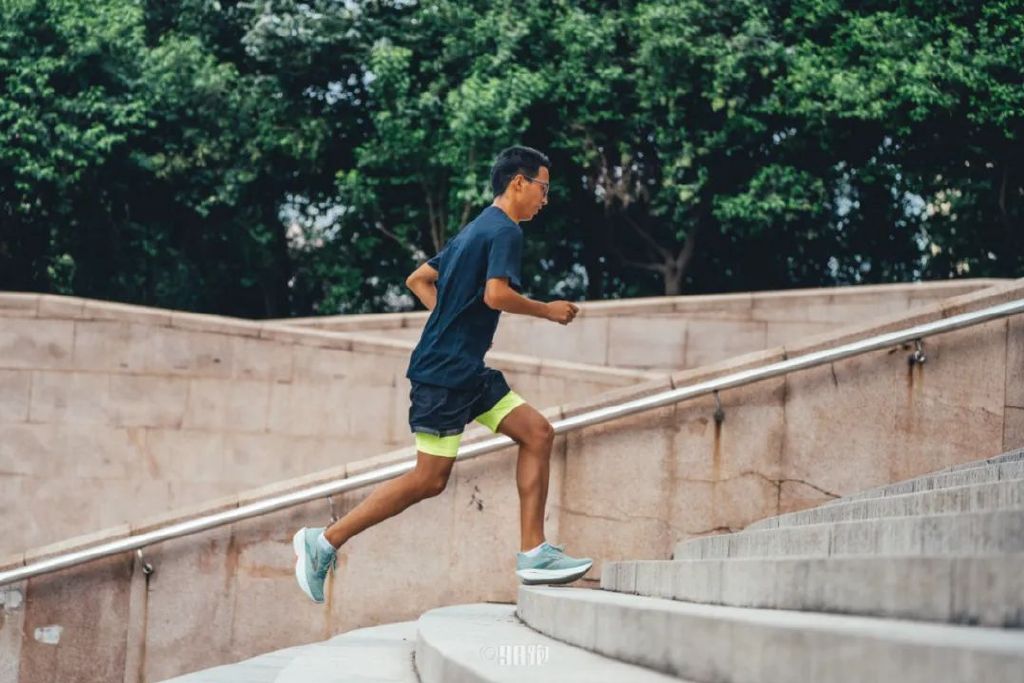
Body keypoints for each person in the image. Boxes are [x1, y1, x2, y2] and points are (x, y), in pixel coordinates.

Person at [292, 145, 591, 604]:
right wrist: (546, 311)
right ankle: (324, 541)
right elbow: (495, 295)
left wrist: (449, 321)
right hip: (445, 374)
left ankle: (533, 552)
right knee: (429, 479)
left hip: (464, 370)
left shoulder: (475, 229)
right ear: (519, 182)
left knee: (537, 433)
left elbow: (418, 279)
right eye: (543, 188)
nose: (545, 199)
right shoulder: (505, 231)